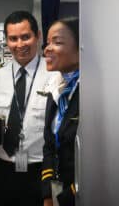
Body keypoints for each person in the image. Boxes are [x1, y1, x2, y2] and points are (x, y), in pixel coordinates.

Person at [0, 11, 58, 206]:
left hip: (39, 170)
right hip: (1, 170)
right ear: (7, 41)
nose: (20, 44)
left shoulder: (55, 76)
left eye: (25, 37)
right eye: (13, 39)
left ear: (38, 36)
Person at [41, 18, 79, 206]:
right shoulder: (55, 89)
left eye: (57, 42)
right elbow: (49, 144)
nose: (47, 48)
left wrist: (67, 197)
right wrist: (48, 192)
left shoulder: (94, 95)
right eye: (48, 42)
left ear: (81, 48)